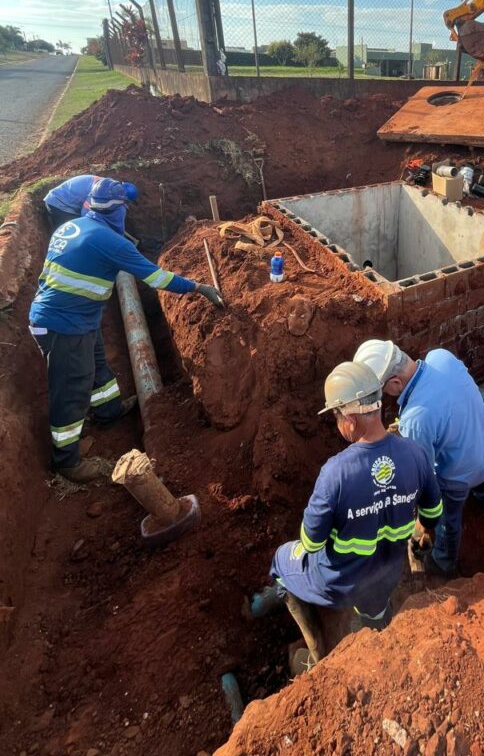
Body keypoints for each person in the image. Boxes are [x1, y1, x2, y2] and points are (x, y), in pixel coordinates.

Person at [29, 178, 223, 482]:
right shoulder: (109, 242)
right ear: (118, 210)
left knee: (97, 364)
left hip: (73, 317)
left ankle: (108, 411)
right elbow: (157, 279)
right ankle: (67, 462)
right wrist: (199, 287)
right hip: (64, 325)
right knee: (72, 388)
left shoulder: (73, 226)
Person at [249, 361, 443, 662]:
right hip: (385, 576)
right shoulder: (414, 454)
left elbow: (311, 543)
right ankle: (377, 624)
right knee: (376, 610)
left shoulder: (335, 473)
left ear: (350, 420)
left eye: (337, 417)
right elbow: (432, 512)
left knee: (281, 559)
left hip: (339, 581)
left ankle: (313, 650)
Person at [354, 340, 484, 579]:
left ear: (394, 382)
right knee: (480, 476)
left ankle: (444, 564)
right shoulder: (440, 356)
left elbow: (426, 477)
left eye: (382, 390)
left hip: (462, 474)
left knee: (448, 519)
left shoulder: (415, 419)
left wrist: (424, 520)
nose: (385, 396)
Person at [44, 174, 139, 230]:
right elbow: (86, 214)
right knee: (76, 231)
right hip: (59, 203)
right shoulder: (99, 191)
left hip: (67, 200)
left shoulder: (111, 186)